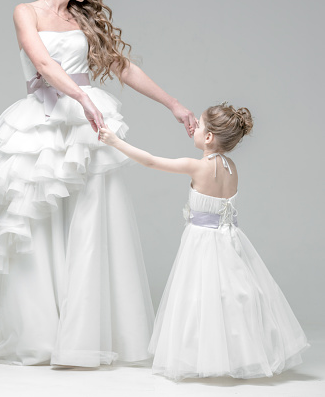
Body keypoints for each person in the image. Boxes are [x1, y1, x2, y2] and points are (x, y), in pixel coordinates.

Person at [0, 0, 196, 367]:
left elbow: (122, 66)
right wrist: (82, 97)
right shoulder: (28, 11)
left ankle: (86, 334)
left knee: (93, 219)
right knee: (38, 224)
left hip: (85, 125)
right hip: (43, 122)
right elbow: (43, 64)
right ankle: (40, 333)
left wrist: (173, 104)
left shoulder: (82, 17)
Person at [99, 102, 309, 380]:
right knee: (234, 297)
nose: (193, 129)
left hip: (202, 242)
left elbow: (150, 160)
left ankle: (205, 357)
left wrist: (114, 141)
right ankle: (240, 354)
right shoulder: (232, 167)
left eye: (197, 125)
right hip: (231, 240)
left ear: (208, 137)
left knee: (198, 297)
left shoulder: (196, 166)